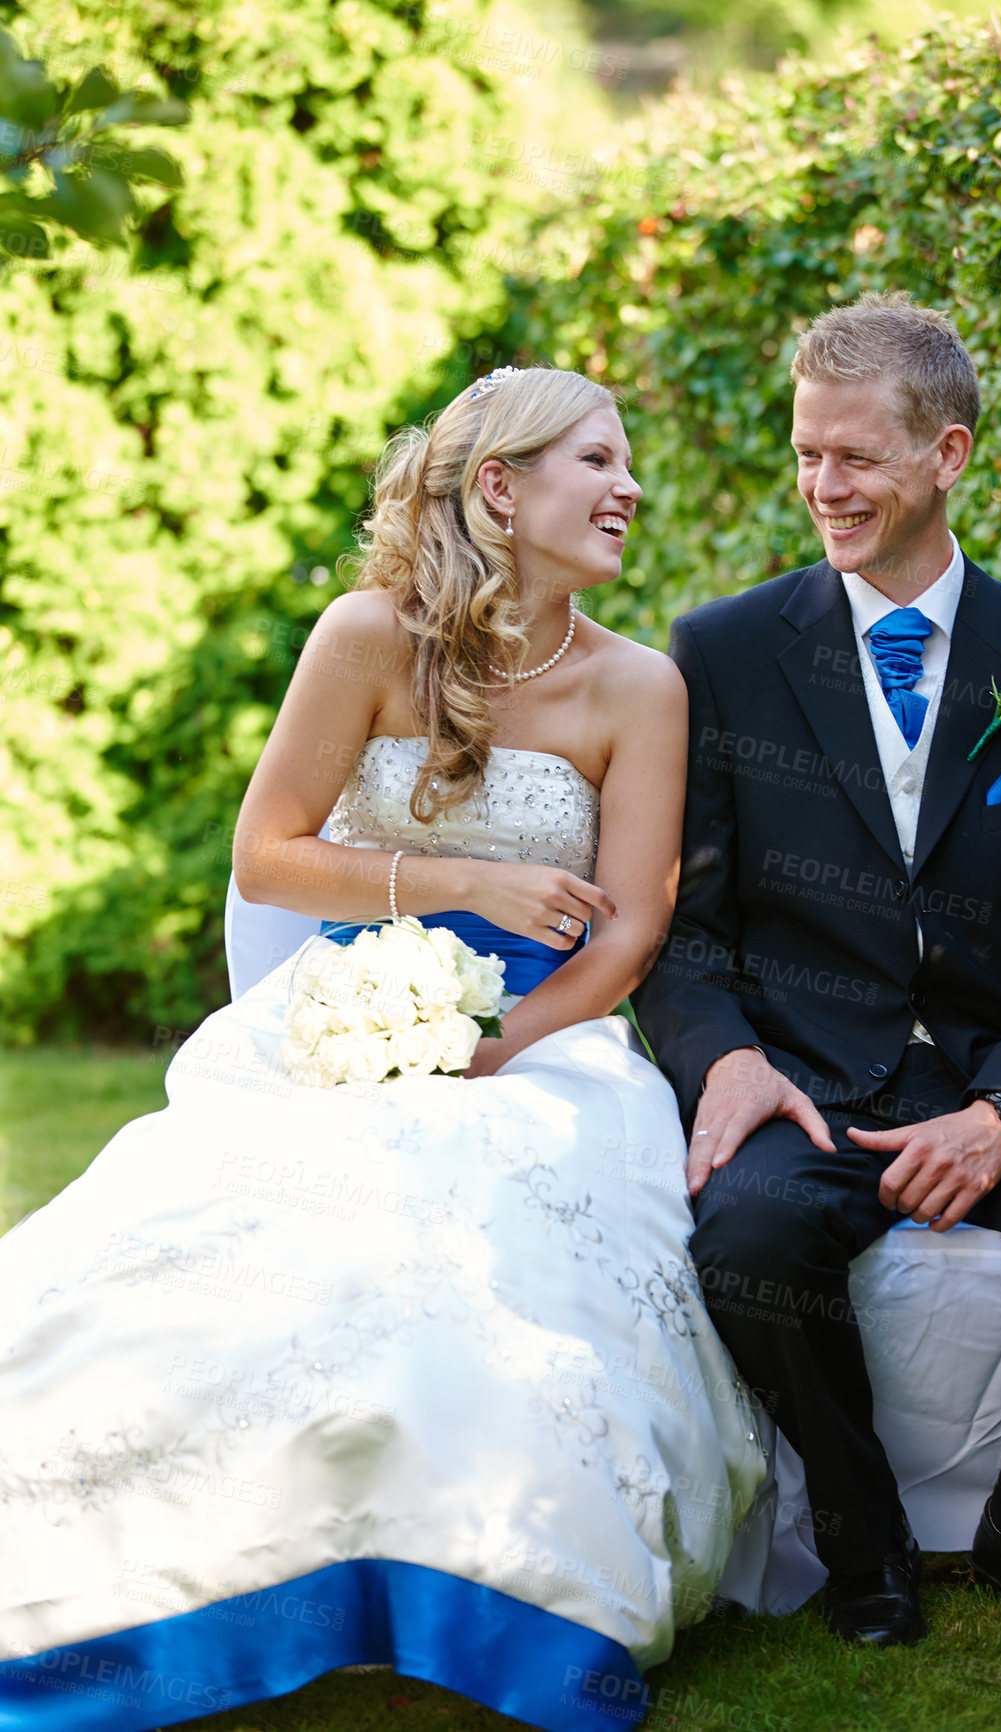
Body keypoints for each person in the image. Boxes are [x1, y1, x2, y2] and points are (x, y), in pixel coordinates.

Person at [0, 366, 765, 1732]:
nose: (626, 487)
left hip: (549, 1043)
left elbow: (631, 932)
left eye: (626, 463)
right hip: (341, 1025)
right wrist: (460, 888)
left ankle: (477, 1588)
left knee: (476, 1258)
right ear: (497, 487)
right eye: (594, 459)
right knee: (214, 1252)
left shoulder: (637, 686)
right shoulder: (364, 637)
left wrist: (498, 1045)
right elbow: (269, 855)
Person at [633, 292, 1001, 1650]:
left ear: (949, 455)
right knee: (745, 1240)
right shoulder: (725, 653)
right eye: (807, 452)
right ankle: (862, 1548)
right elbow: (682, 926)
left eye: (854, 456)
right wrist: (726, 1059)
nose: (822, 485)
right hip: (810, 1086)